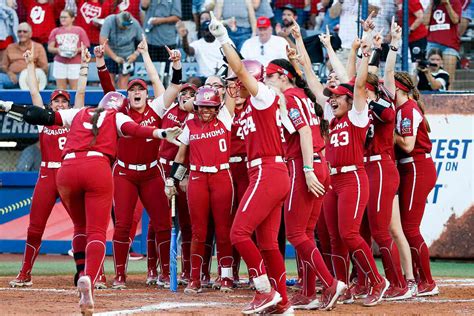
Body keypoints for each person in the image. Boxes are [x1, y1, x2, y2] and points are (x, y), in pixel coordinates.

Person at [2, 57, 182, 316]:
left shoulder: (80, 112)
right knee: (97, 232)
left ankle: (80, 269)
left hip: (66, 170)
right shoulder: (117, 116)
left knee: (79, 226)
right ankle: (91, 278)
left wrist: (8, 106)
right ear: (119, 106)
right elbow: (134, 129)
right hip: (96, 168)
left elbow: (42, 114)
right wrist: (160, 134)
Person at [209, 12, 291, 314]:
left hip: (267, 171)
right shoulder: (249, 106)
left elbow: (241, 71)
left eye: (237, 81)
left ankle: (263, 290)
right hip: (268, 172)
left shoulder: (263, 95)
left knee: (238, 233)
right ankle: (282, 301)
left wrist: (222, 38)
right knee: (268, 243)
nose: (234, 85)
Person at [96, 36, 183, 289]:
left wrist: (176, 65)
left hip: (150, 172)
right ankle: (120, 275)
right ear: (128, 94)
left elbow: (175, 87)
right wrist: (101, 61)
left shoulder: (156, 108)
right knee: (122, 225)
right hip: (123, 172)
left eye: (140, 90)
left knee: (163, 222)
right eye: (132, 90)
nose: (136, 93)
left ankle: (166, 273)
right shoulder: (120, 111)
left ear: (146, 94)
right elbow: (107, 90)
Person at [266, 56, 346, 310]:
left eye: (269, 76)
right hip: (316, 161)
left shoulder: (290, 98)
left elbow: (302, 132)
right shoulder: (301, 95)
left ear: (282, 77)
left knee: (296, 233)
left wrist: (308, 168)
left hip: (303, 163)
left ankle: (330, 284)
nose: (266, 81)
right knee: (307, 232)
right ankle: (309, 291)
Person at [8, 43, 85, 289]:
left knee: (82, 224)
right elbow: (33, 94)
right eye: (57, 102)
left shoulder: (74, 118)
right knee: (35, 226)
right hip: (47, 172)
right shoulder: (44, 121)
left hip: (69, 173)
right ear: (51, 105)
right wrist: (30, 65)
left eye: (64, 101)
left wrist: (84, 67)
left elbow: (81, 95)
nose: (60, 105)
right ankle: (25, 273)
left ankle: (88, 273)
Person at [323, 36, 390, 307]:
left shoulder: (356, 115)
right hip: (333, 179)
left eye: (338, 96)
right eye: (332, 97)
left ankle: (377, 280)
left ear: (350, 100)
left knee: (350, 234)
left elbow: (359, 83)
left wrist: (366, 52)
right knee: (335, 236)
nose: (333, 100)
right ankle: (344, 286)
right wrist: (302, 56)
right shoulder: (334, 119)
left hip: (353, 177)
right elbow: (320, 86)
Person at [362, 20, 412, 301]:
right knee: (371, 229)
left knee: (382, 230)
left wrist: (390, 44)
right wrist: (370, 41)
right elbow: (365, 73)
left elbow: (384, 72)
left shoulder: (383, 100)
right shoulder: (362, 100)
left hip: (382, 165)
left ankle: (399, 284)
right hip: (368, 166)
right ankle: (374, 280)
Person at [170, 85, 235, 294]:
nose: (206, 111)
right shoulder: (190, 124)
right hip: (197, 177)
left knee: (223, 230)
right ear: (196, 107)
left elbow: (231, 96)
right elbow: (181, 156)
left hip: (221, 176)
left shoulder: (225, 118)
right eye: (202, 107)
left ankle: (226, 276)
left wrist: (229, 85)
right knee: (198, 231)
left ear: (218, 108)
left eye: (211, 107)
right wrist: (172, 180)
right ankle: (195, 278)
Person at [393, 71, 439, 297]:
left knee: (410, 228)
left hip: (416, 166)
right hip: (410, 167)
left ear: (399, 89)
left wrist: (388, 133)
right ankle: (420, 277)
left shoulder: (408, 109)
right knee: (404, 227)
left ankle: (428, 281)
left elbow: (408, 145)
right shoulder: (403, 108)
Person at [155, 83, 196, 286]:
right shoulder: (167, 107)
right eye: (184, 93)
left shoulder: (195, 119)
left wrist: (180, 177)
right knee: (159, 222)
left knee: (187, 224)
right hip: (161, 169)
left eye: (191, 94)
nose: (187, 97)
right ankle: (155, 271)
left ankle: (187, 271)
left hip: (183, 172)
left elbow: (185, 154)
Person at [48, 9, 90, 90]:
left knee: (75, 88)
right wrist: (58, 50)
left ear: (72, 18)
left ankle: (74, 103)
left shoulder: (79, 30)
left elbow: (86, 45)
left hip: (75, 63)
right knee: (60, 89)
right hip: (60, 62)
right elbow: (50, 48)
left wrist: (76, 50)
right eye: (61, 17)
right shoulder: (55, 31)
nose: (62, 19)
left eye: (65, 17)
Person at [100, 11, 142, 89]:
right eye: (124, 25)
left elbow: (144, 41)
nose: (126, 28)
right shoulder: (109, 21)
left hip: (128, 56)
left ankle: (123, 100)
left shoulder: (135, 23)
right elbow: (103, 42)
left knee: (123, 84)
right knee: (109, 83)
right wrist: (115, 57)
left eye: (128, 25)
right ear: (118, 21)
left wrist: (135, 54)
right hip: (110, 54)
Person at [425, 0, 462, 88]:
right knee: (429, 75)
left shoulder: (455, 2)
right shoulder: (433, 4)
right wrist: (431, 3)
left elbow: (455, 20)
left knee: (449, 79)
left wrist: (447, 4)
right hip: (432, 43)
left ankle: (449, 100)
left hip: (450, 44)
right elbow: (425, 22)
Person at [0, 22, 48, 89]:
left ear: (30, 34)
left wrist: (31, 74)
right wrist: (9, 73)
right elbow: (3, 66)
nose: (22, 34)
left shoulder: (38, 47)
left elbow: (44, 67)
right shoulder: (10, 47)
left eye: (25, 32)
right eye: (19, 32)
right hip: (14, 77)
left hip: (30, 78)